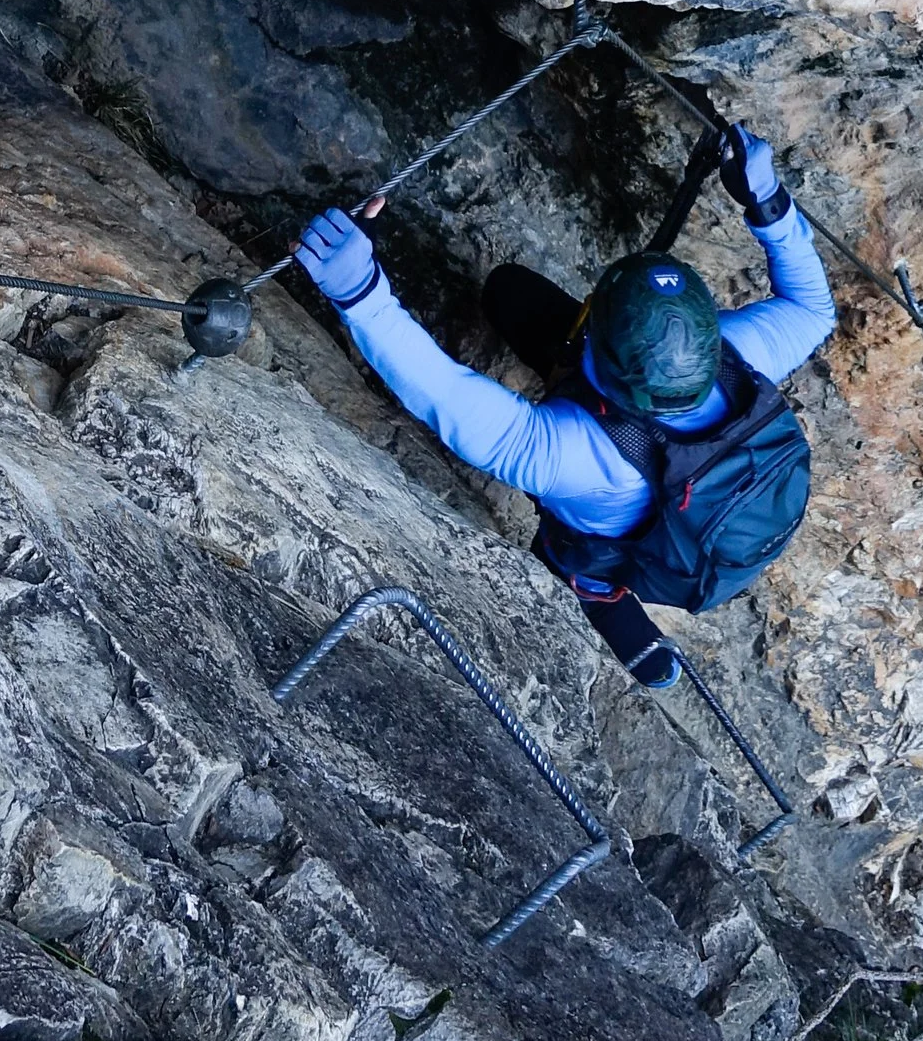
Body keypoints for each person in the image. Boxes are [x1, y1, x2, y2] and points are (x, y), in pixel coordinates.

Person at [293, 130, 836, 689]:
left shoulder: (570, 455)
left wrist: (359, 293)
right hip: (709, 490)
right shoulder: (741, 354)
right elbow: (813, 309)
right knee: (509, 291)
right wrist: (765, 197)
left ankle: (598, 596)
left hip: (620, 529)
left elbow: (445, 395)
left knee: (570, 554)